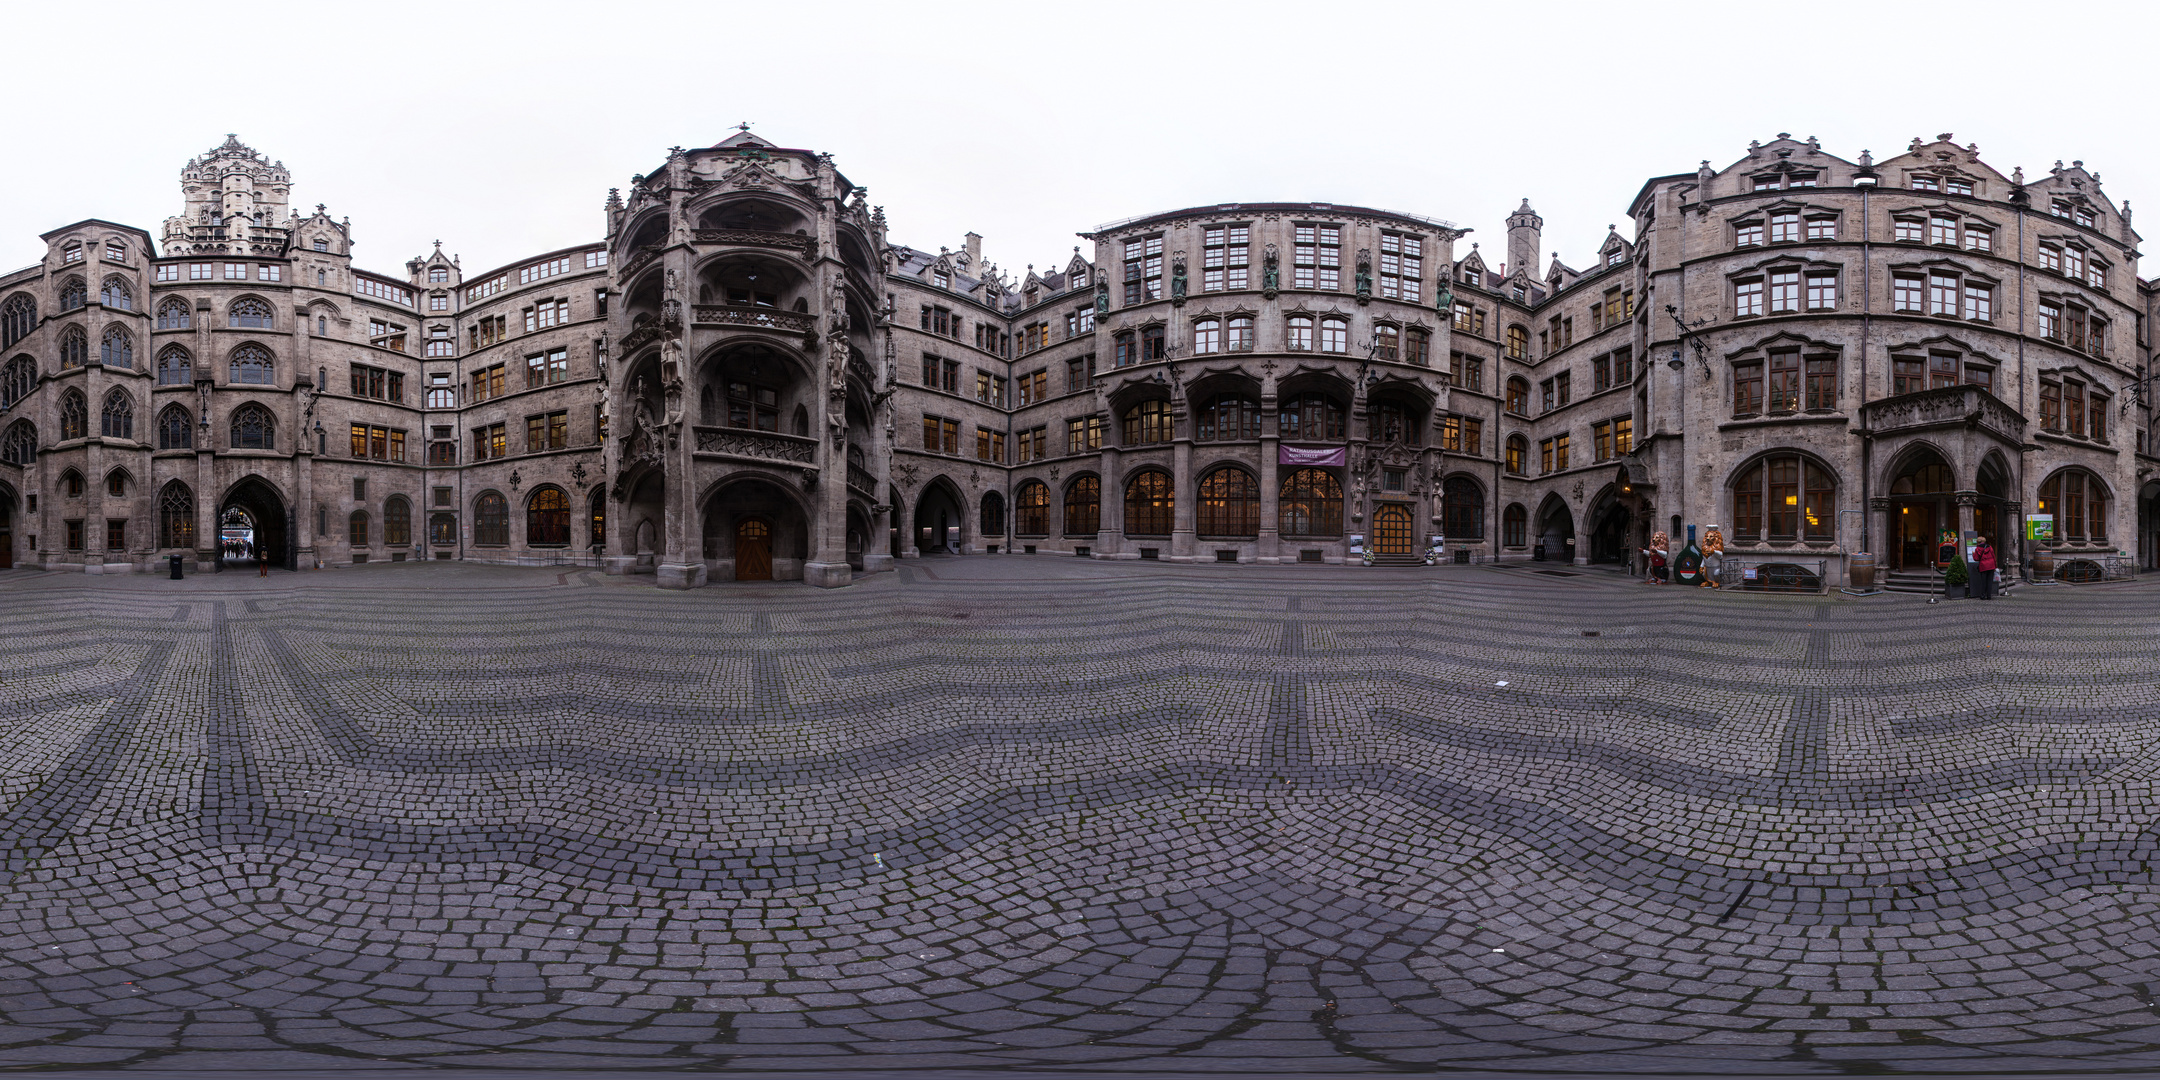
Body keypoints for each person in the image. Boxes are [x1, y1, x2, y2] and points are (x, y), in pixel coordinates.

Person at [1972, 535, 1997, 600]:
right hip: (1991, 566)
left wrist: (1973, 554)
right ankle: (1989, 596)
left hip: (1983, 566)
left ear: (1978, 542)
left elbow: (1976, 558)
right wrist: (1995, 566)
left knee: (1983, 582)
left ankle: (1983, 595)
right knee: (1989, 581)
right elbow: (1994, 557)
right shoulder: (1990, 547)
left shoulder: (1977, 549)